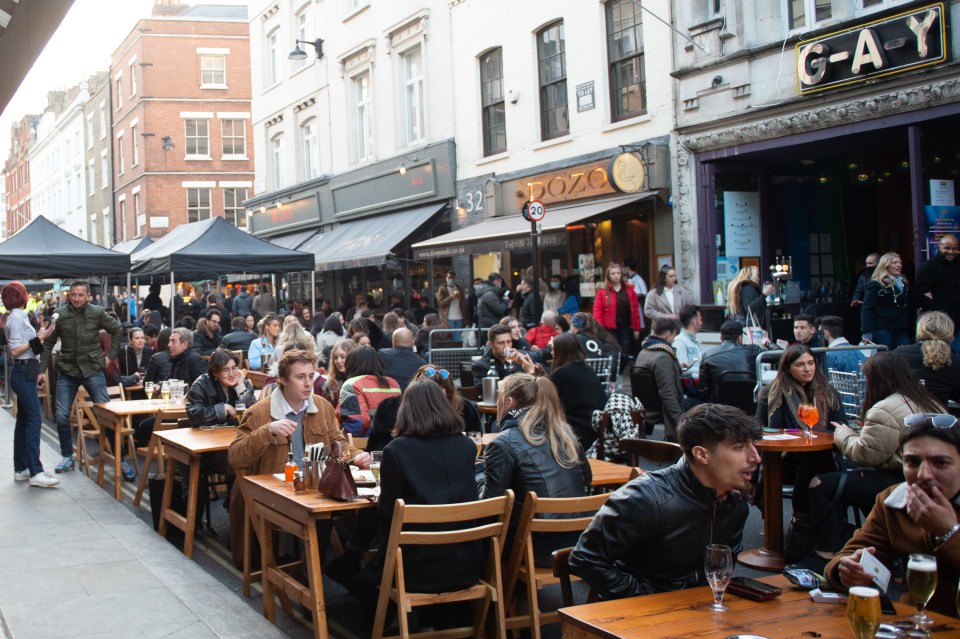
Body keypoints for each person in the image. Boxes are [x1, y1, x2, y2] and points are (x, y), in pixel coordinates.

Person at [569, 403, 761, 599]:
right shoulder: (646, 498)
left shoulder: (735, 502)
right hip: (639, 616)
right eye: (739, 447)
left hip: (696, 611)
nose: (756, 457)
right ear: (702, 454)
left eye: (754, 445)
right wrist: (643, 597)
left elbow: (720, 571)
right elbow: (585, 559)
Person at [807, 352, 943, 560]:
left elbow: (866, 454)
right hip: (927, 480)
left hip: (898, 481)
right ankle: (879, 548)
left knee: (819, 484)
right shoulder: (927, 399)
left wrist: (843, 434)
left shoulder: (884, 408)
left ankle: (824, 554)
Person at [824, 413, 960, 616]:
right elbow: (849, 555)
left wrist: (950, 532)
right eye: (912, 462)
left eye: (940, 463)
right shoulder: (893, 501)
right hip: (919, 621)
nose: (923, 474)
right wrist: (846, 570)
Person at [481, 373, 592, 561]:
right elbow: (587, 479)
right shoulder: (566, 436)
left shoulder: (504, 443)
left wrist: (477, 478)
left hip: (531, 547)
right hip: (577, 543)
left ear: (509, 402)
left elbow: (490, 507)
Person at [40, 280, 124, 474]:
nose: (76, 298)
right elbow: (47, 344)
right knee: (61, 415)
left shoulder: (97, 312)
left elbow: (117, 330)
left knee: (106, 413)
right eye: (73, 294)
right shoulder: (59, 314)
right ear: (69, 295)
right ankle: (67, 456)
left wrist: (110, 358)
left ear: (88, 296)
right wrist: (40, 371)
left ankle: (119, 457)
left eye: (80, 295)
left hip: (92, 369)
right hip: (67, 370)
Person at [756, 343, 845, 514]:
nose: (807, 369)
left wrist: (818, 436)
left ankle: (803, 522)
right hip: (782, 460)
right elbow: (759, 430)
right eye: (800, 364)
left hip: (822, 455)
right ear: (788, 368)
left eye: (810, 363)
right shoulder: (772, 393)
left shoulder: (828, 392)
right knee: (807, 466)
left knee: (809, 465)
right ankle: (808, 523)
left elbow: (841, 427)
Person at [4, 282, 58, 487]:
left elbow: (24, 350)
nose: (28, 295)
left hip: (24, 371)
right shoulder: (17, 317)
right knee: (35, 420)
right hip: (22, 371)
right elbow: (16, 350)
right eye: (25, 292)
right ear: (20, 295)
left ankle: (22, 468)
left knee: (24, 421)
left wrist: (40, 337)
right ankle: (36, 472)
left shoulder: (16, 316)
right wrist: (40, 337)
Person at [367, 364, 483, 453]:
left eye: (438, 391)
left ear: (448, 392)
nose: (433, 398)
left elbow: (475, 442)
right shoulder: (389, 408)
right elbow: (376, 449)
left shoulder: (464, 408)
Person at [549, 333, 608, 452]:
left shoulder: (561, 373)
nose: (551, 353)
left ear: (561, 351)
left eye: (553, 349)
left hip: (577, 433)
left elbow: (546, 398)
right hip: (596, 430)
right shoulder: (588, 369)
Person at [895, 311, 960, 407]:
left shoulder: (897, 354)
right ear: (949, 332)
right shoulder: (954, 362)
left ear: (920, 329)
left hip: (899, 417)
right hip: (937, 419)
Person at [338, 346, 401, 436]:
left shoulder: (351, 384)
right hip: (394, 442)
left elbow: (357, 425)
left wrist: (342, 433)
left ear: (351, 365)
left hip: (366, 445)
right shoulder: (394, 384)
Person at [186, 348, 256, 427]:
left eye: (234, 368)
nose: (232, 374)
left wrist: (240, 388)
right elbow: (194, 416)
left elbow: (253, 413)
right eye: (226, 370)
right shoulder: (201, 384)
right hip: (207, 436)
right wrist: (224, 408)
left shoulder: (242, 383)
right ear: (215, 372)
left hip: (236, 434)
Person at [697, 320, 759, 403]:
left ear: (721, 338)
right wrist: (767, 343)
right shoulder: (754, 351)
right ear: (740, 338)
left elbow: (703, 393)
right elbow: (778, 354)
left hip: (718, 410)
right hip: (749, 408)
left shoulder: (707, 356)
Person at [915, 234, 960, 344]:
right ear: (940, 247)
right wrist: (939, 312)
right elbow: (922, 295)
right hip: (939, 324)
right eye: (947, 248)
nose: (951, 252)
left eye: (954, 248)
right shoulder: (927, 268)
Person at [861, 251, 911, 349]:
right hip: (882, 328)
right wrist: (866, 332)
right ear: (886, 265)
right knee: (886, 356)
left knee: (905, 351)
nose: (899, 265)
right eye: (895, 263)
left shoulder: (903, 283)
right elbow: (867, 308)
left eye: (900, 263)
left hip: (900, 327)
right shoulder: (876, 284)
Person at [593, 262, 641, 361]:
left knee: (625, 353)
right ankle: (614, 374)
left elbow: (635, 309)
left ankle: (620, 372)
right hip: (609, 327)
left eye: (618, 273)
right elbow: (597, 311)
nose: (616, 276)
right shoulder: (603, 291)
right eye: (613, 274)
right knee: (612, 351)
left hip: (625, 325)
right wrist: (599, 328)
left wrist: (637, 327)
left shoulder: (629, 289)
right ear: (608, 276)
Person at [472, 324, 539, 386]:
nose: (506, 347)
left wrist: (528, 368)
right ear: (490, 344)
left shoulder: (521, 356)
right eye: (501, 343)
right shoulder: (481, 366)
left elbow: (539, 384)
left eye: (509, 342)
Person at [318, 338, 358, 407]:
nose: (338, 361)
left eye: (343, 357)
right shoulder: (330, 384)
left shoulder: (361, 380)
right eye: (335, 358)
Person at [672, 305, 704, 382]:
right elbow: (682, 369)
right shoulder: (680, 342)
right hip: (690, 388)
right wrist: (702, 370)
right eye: (700, 319)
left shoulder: (694, 340)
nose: (701, 323)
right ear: (694, 321)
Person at [436, 270, 467, 340]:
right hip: (448, 317)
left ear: (455, 278)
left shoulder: (459, 288)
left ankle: (458, 351)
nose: (451, 279)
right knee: (450, 338)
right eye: (449, 278)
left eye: (453, 278)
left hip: (460, 317)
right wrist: (451, 297)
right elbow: (440, 303)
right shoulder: (442, 289)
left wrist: (466, 319)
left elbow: (464, 304)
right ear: (446, 278)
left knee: (458, 339)